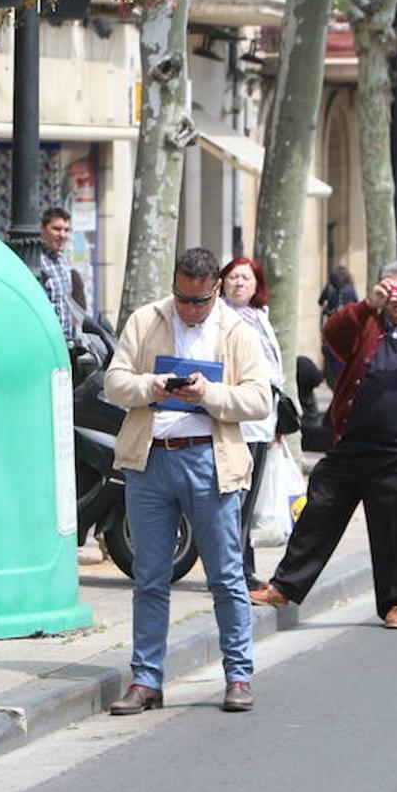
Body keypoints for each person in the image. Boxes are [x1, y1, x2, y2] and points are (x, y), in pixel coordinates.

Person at [252, 261, 397, 629]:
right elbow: (333, 337)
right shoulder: (367, 323)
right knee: (318, 512)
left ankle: (396, 605)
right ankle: (285, 586)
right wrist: (367, 304)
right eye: (392, 291)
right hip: (352, 445)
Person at [103, 247, 270, 714]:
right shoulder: (146, 319)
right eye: (182, 298)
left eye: (199, 301)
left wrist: (209, 394)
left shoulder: (236, 329)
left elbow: (259, 399)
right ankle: (146, 680)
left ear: (215, 290)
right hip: (150, 459)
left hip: (210, 463)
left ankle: (238, 675)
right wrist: (151, 388)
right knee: (150, 577)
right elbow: (114, 383)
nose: (189, 309)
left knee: (226, 576)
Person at [218, 256, 286, 590]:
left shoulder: (259, 318)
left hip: (262, 422)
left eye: (245, 278)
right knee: (236, 501)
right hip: (238, 421)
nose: (239, 283)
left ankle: (244, 568)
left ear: (257, 285)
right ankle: (235, 571)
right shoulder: (220, 320)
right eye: (232, 277)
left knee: (248, 502)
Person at [37, 206, 86, 350]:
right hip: (45, 343)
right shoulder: (37, 262)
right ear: (43, 229)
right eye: (57, 229)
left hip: (65, 344)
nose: (63, 235)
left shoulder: (64, 263)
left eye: (66, 230)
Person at [318, 266, 359, 390]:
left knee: (330, 356)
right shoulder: (350, 290)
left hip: (331, 328)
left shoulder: (329, 288)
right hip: (347, 330)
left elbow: (320, 302)